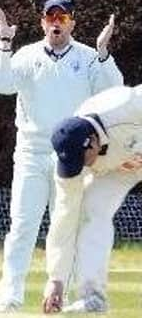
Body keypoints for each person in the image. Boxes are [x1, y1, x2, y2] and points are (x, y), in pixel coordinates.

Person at [0, 0, 123, 312]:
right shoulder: (27, 55)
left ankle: (71, 295)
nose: (56, 22)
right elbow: (1, 84)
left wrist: (104, 53)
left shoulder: (89, 58)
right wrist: (5, 42)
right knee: (23, 226)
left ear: (72, 23)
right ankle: (10, 296)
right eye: (51, 17)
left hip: (72, 156)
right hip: (31, 153)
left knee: (69, 229)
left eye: (63, 18)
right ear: (43, 23)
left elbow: (113, 90)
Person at [42, 85, 142, 314]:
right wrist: (55, 278)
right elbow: (64, 219)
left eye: (82, 159)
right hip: (118, 168)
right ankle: (93, 298)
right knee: (90, 211)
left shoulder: (125, 106)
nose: (80, 167)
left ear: (92, 142)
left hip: (128, 154)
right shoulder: (71, 165)